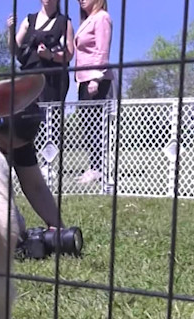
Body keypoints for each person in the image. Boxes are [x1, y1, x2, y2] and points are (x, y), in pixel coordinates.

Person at [0, 0, 75, 230]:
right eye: (11, 144)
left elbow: (35, 186)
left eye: (21, 145)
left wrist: (59, 228)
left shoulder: (20, 133)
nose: (15, 149)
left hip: (48, 83)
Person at [74, 0, 113, 185]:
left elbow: (102, 51)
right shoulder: (87, 21)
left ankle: (98, 168)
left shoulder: (102, 18)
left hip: (96, 81)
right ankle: (94, 166)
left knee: (96, 126)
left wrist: (96, 78)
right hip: (83, 80)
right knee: (89, 126)